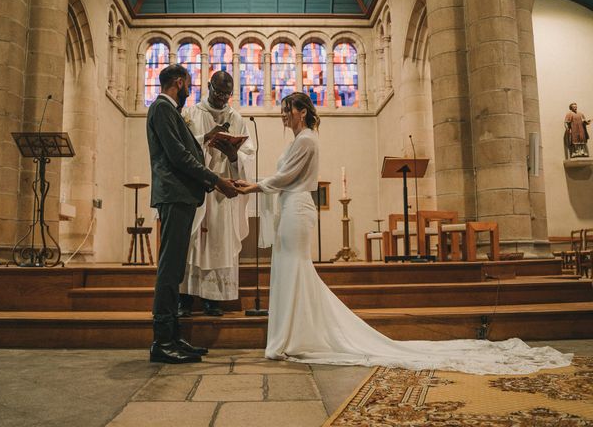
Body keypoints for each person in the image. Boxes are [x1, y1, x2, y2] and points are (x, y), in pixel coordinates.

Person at [234, 92, 572, 375]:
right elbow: (284, 178)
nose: (284, 116)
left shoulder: (307, 140)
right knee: (291, 270)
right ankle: (292, 336)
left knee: (294, 269)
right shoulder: (301, 140)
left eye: (288, 110)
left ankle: (288, 338)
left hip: (296, 209)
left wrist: (254, 186)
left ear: (303, 111)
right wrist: (256, 185)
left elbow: (287, 177)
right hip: (291, 208)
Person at [146, 64, 238, 364]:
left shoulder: (169, 110)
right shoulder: (162, 109)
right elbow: (179, 156)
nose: (189, 89)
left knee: (174, 270)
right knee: (169, 270)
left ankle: (173, 337)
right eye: (187, 83)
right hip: (174, 196)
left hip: (182, 197)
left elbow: (185, 152)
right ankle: (162, 341)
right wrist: (216, 180)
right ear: (178, 82)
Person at [179, 71, 255, 316]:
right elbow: (180, 147)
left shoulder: (237, 118)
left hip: (223, 192)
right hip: (197, 188)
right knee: (192, 243)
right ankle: (185, 299)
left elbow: (247, 156)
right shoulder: (190, 114)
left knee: (218, 243)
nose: (222, 98)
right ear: (209, 86)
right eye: (218, 91)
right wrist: (205, 138)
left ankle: (214, 300)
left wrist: (233, 155)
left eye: (226, 94)